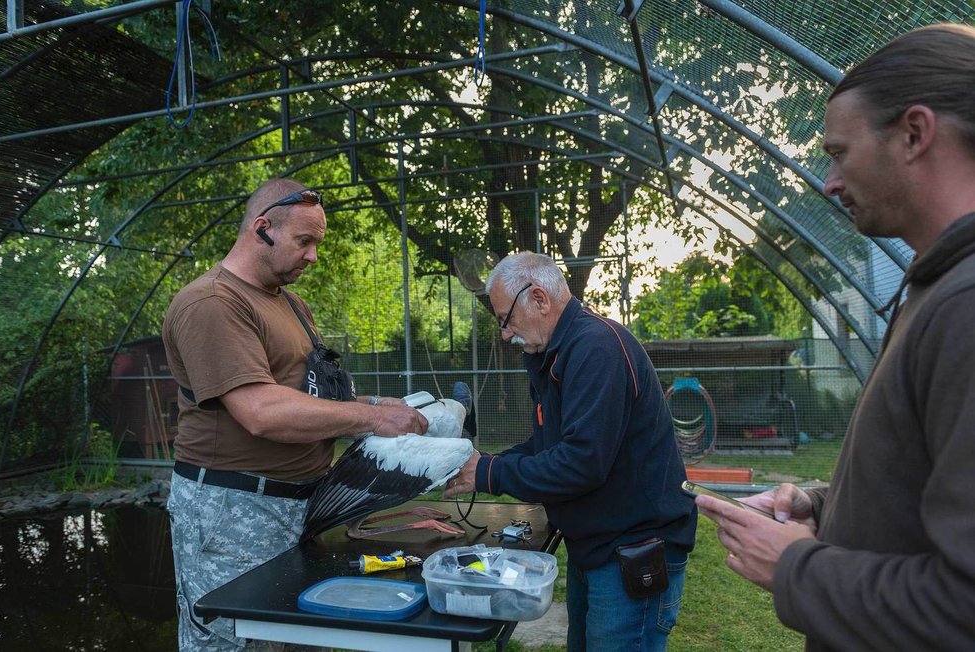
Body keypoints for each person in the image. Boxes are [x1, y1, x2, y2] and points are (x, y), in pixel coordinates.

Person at [695, 23, 975, 651]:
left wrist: (797, 568)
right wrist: (824, 506)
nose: (829, 182)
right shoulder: (936, 284)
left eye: (839, 152)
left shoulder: (967, 304)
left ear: (913, 133)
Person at [162, 177, 429, 651]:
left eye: (316, 243)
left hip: (301, 504)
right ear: (262, 228)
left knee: (305, 635)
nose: (313, 256)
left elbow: (303, 388)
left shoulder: (290, 303)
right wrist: (370, 420)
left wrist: (371, 403)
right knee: (231, 640)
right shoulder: (212, 303)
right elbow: (261, 411)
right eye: (304, 241)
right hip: (233, 510)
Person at [444, 252, 697, 652]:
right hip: (599, 545)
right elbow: (548, 447)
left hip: (632, 550)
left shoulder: (595, 348)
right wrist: (483, 465)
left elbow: (581, 463)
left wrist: (490, 473)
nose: (505, 334)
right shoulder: (555, 354)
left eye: (504, 319)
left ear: (540, 299)